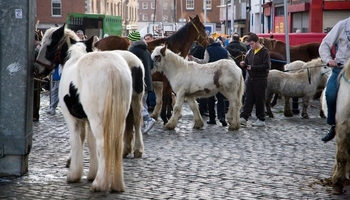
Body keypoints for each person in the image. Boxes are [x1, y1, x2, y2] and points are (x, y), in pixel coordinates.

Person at [318, 17, 350, 142]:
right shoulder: (343, 25)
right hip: (341, 68)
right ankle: (333, 125)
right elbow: (325, 44)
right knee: (331, 94)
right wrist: (328, 59)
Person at [189, 38, 230, 126]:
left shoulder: (208, 50)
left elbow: (205, 62)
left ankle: (212, 118)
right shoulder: (224, 50)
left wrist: (193, 59)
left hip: (211, 76)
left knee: (210, 97)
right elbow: (229, 61)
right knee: (221, 97)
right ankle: (222, 117)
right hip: (222, 76)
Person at [128, 30, 156, 134]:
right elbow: (152, 65)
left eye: (130, 39)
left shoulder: (133, 50)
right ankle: (142, 125)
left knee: (138, 103)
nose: (129, 42)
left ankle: (148, 119)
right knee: (142, 102)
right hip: (148, 81)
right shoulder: (146, 50)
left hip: (139, 81)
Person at [239, 33, 271, 127]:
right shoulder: (250, 52)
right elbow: (247, 62)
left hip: (260, 79)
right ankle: (244, 117)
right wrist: (244, 64)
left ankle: (260, 118)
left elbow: (266, 66)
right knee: (248, 98)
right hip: (250, 79)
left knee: (259, 99)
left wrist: (253, 67)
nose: (251, 46)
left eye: (252, 44)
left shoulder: (265, 52)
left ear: (257, 42)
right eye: (250, 44)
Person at [189, 42, 207, 117]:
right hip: (202, 71)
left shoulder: (193, 48)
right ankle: (202, 109)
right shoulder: (203, 49)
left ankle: (198, 108)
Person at [33, 31, 42, 121]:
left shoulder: (38, 46)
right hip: (35, 74)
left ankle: (35, 114)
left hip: (36, 74)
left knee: (35, 95)